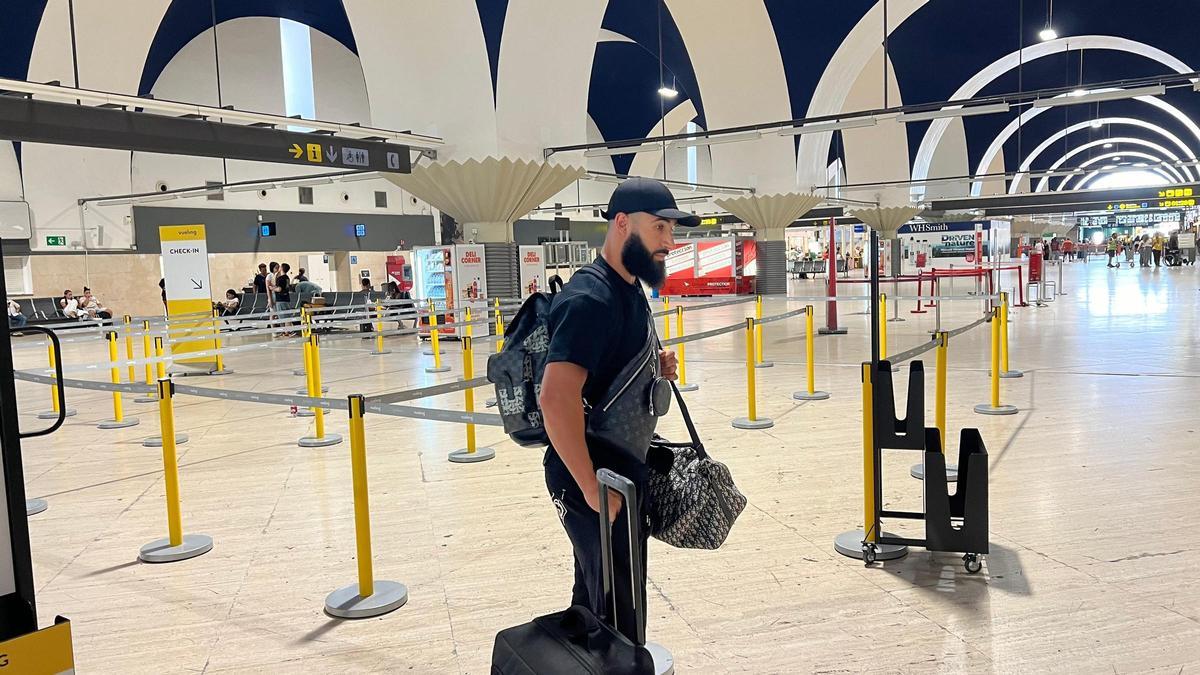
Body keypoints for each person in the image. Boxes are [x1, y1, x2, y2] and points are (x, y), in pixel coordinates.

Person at [540, 177, 690, 642]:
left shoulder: (626, 287)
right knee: (617, 602)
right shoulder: (590, 299)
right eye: (660, 227)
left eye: (671, 229)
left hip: (621, 469)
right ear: (622, 223)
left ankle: (586, 658)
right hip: (594, 474)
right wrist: (589, 487)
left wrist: (651, 366)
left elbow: (608, 368)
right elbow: (555, 397)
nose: (670, 240)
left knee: (601, 591)